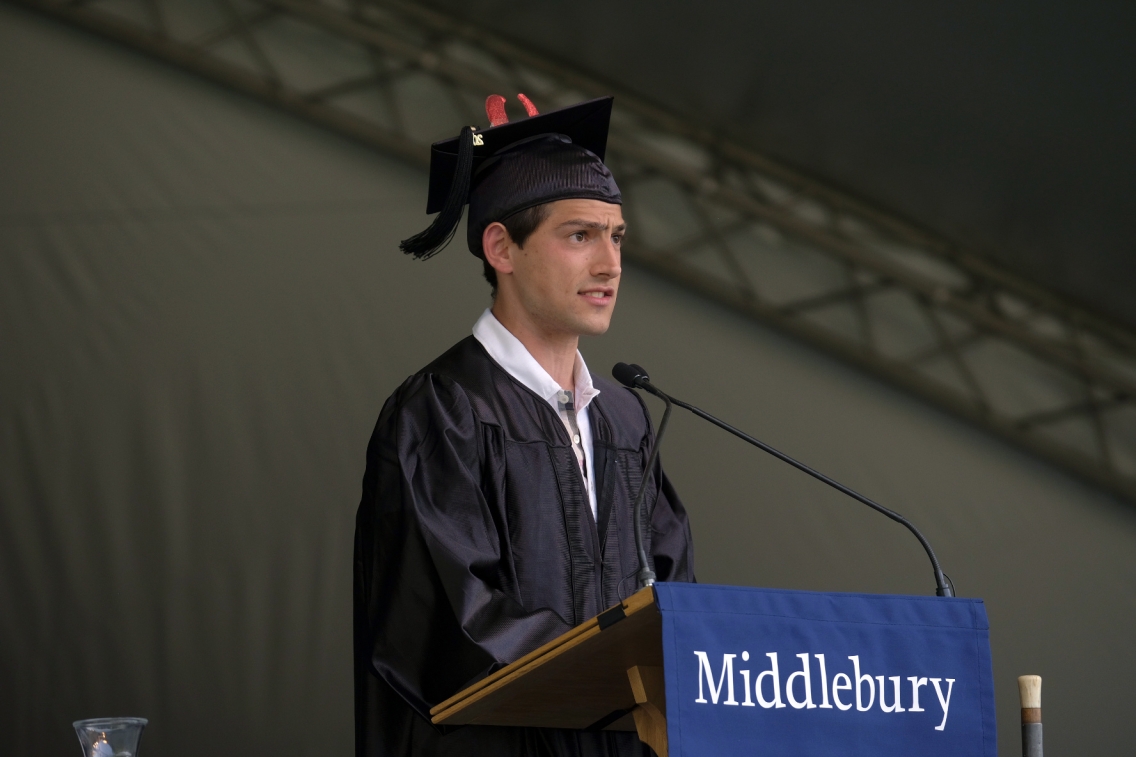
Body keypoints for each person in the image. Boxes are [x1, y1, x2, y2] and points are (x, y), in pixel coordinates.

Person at [354, 96, 695, 757]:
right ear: (500, 246)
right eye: (579, 235)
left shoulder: (624, 418)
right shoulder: (443, 411)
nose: (609, 263)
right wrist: (618, 671)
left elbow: (671, 597)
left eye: (616, 235)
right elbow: (451, 626)